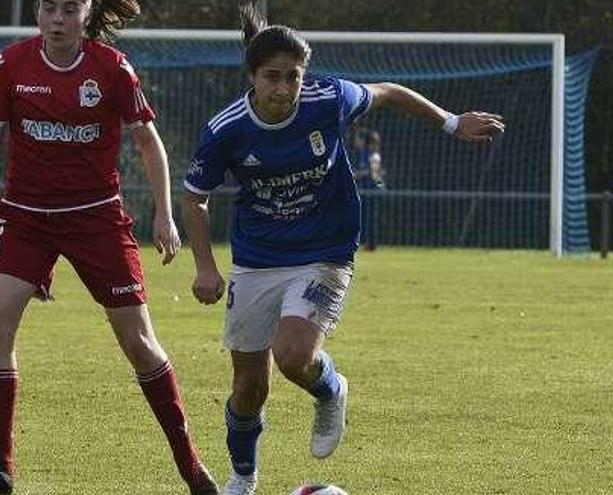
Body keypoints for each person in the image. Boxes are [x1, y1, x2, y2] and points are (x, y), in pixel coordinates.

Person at [180, 3, 504, 494]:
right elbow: (194, 199)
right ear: (252, 76)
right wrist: (204, 266)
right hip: (256, 260)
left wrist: (452, 122)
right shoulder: (226, 129)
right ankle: (243, 478)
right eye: (273, 77)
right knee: (249, 387)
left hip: (325, 252)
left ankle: (330, 389)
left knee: (292, 356)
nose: (285, 88)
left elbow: (390, 92)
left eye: (293, 76)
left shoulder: (328, 98)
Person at [0, 1, 218, 493]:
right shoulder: (10, 65)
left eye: (70, 9)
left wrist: (164, 213)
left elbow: (148, 142)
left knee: (139, 345)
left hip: (96, 219)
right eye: (49, 7)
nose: (57, 19)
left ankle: (192, 466)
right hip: (24, 217)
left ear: (86, 14)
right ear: (38, 13)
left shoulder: (112, 69)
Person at [349, 127, 385, 250]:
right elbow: (378, 174)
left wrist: (353, 174)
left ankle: (367, 243)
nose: (356, 141)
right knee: (370, 217)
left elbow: (365, 172)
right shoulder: (375, 154)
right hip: (375, 188)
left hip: (368, 189)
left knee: (365, 217)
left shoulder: (365, 153)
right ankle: (369, 243)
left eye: (358, 138)